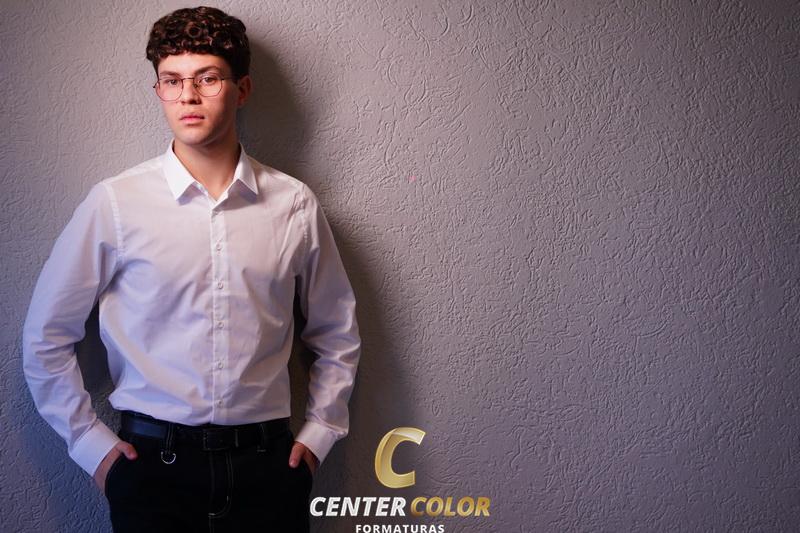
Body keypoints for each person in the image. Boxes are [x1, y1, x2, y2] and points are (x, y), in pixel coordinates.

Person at [22, 6, 361, 532]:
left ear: (242, 89)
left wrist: (319, 435)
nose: (188, 96)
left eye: (208, 78)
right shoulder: (115, 203)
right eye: (172, 80)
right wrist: (93, 449)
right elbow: (45, 338)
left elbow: (336, 333)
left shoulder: (294, 205)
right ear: (158, 89)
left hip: (268, 470)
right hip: (151, 470)